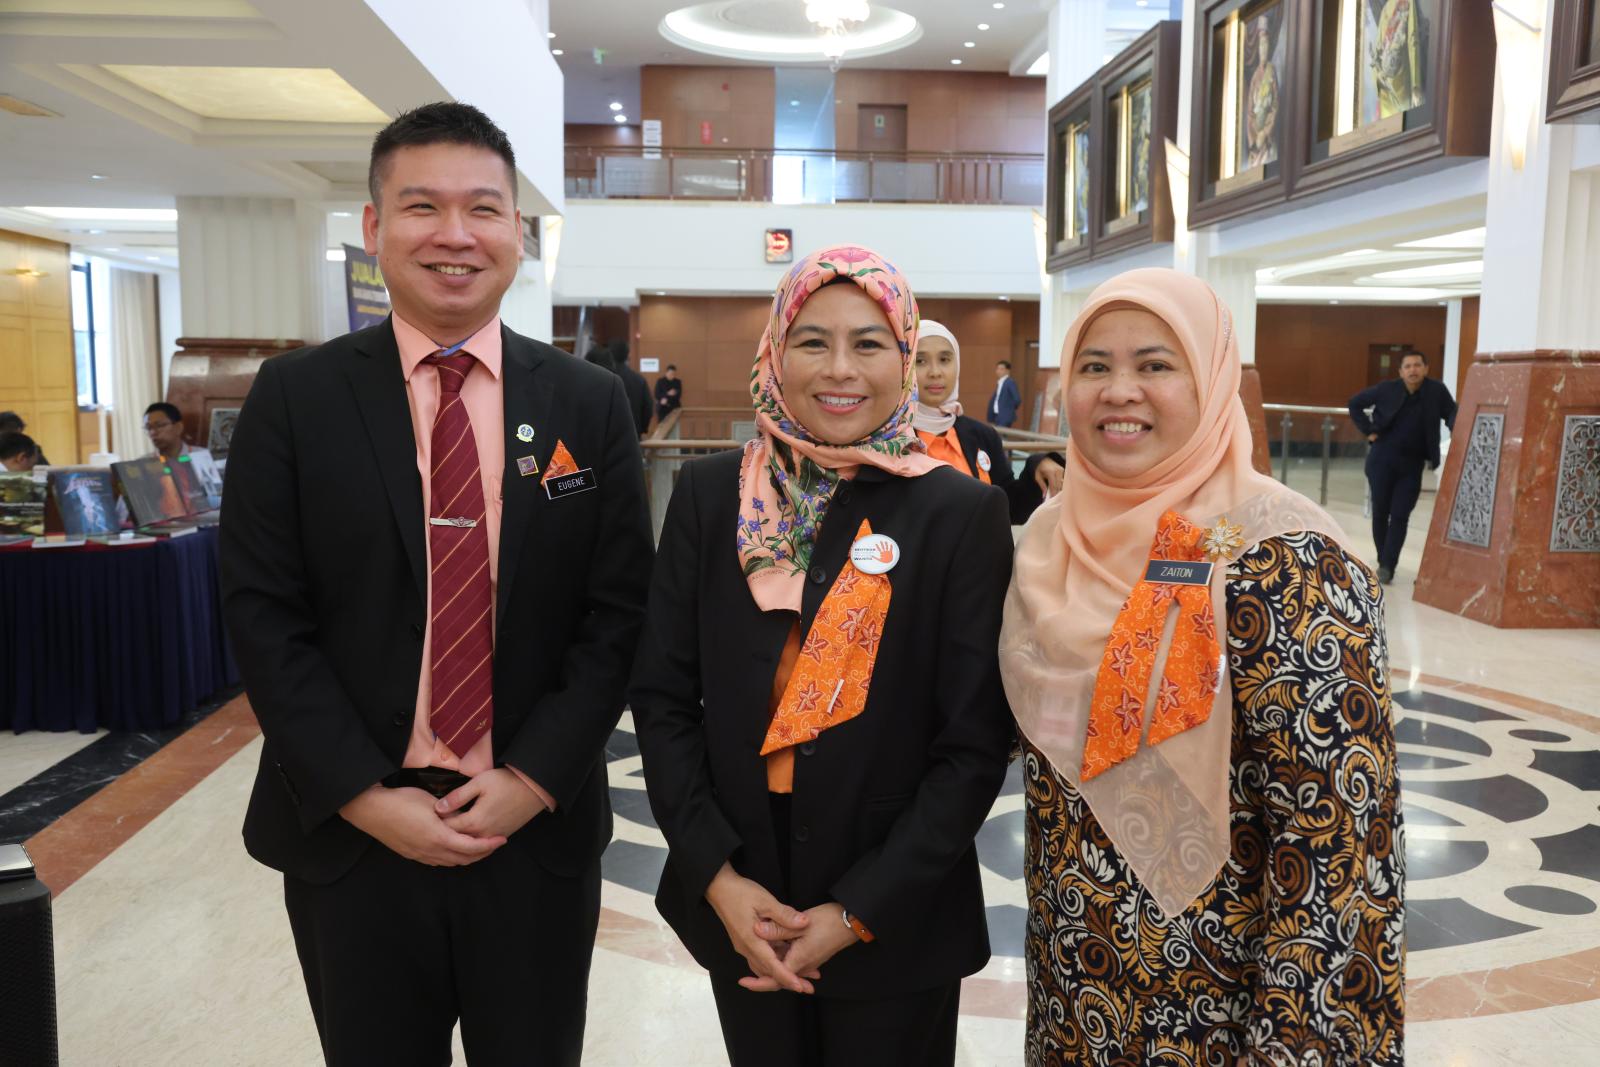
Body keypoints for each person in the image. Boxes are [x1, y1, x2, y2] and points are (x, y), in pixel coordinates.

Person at [220, 101, 653, 1067]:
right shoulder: (295, 397)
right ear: (374, 227)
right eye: (423, 206)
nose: (455, 234)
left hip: (532, 831)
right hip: (352, 836)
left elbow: (619, 612)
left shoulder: (588, 402)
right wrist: (362, 794)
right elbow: (263, 615)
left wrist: (533, 779)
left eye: (483, 208)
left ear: (517, 232)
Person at [1000, 268, 1404, 1066]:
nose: (1119, 390)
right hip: (1073, 1006)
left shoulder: (1284, 558)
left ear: (1212, 380)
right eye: (1094, 365)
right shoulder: (1050, 544)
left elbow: (1340, 846)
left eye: (1155, 364)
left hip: (1222, 1019)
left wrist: (1293, 1048)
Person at [630, 246, 1016, 1066]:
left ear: (903, 356)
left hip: (897, 902)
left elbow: (973, 744)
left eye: (869, 343)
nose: (840, 368)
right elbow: (662, 698)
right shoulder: (710, 496)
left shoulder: (958, 513)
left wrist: (856, 908)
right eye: (812, 341)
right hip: (742, 883)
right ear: (776, 350)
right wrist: (718, 879)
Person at [913, 319, 1064, 523]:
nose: (935, 372)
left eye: (944, 359)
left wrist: (1037, 466)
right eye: (920, 361)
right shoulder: (892, 440)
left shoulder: (982, 436)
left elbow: (1010, 507)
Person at [1348, 350, 1457, 583]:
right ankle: (1384, 562)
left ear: (1426, 368)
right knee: (1380, 512)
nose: (1412, 370)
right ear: (1400, 371)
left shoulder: (1436, 391)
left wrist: (1457, 430)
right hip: (1381, 460)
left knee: (1400, 514)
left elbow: (1452, 412)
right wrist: (1369, 431)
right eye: (1407, 366)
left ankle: (1388, 564)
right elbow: (1355, 403)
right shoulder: (1386, 389)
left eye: (1417, 365)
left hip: (1412, 465)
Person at [608, 340, 654, 437]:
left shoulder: (603, 379)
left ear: (610, 355)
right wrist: (642, 429)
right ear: (628, 355)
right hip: (633, 433)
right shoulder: (639, 380)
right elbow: (648, 407)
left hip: (607, 436)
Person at [986, 358, 1020, 427]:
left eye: (1001, 369)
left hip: (1004, 416)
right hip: (996, 416)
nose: (998, 371)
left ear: (1007, 370)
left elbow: (1017, 399)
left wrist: (1008, 409)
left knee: (1001, 433)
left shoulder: (1010, 382)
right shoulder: (1000, 383)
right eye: (997, 369)